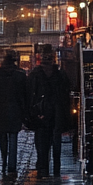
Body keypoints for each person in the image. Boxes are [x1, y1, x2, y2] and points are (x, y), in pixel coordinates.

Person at [27, 48, 73, 177]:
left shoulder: (35, 74)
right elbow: (67, 90)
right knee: (56, 139)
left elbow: (30, 93)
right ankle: (56, 167)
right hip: (57, 110)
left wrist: (31, 110)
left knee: (42, 140)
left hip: (41, 111)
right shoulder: (60, 73)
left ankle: (43, 166)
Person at [0, 51, 28, 178]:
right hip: (15, 109)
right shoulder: (20, 75)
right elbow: (25, 94)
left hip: (1, 109)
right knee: (13, 137)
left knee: (2, 137)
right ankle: (12, 165)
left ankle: (4, 161)